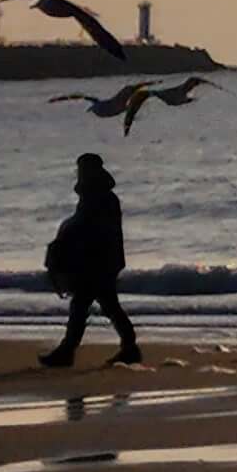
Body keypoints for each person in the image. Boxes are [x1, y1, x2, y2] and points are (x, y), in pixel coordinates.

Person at [41, 150, 140, 366]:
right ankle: (129, 347)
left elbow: (92, 229)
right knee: (107, 305)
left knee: (85, 306)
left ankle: (68, 351)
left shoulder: (100, 198)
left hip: (98, 262)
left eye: (82, 170)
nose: (79, 174)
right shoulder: (96, 196)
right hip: (99, 261)